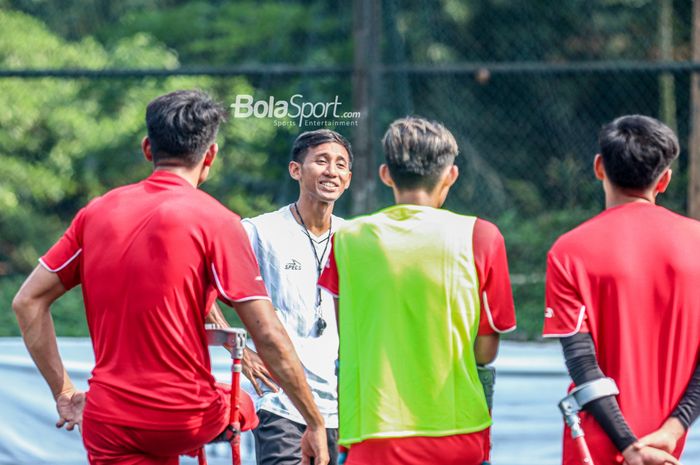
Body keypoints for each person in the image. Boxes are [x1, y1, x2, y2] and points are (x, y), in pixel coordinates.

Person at [12, 90, 329, 465]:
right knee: (240, 405)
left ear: (148, 149)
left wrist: (64, 392)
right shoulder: (217, 221)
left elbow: (27, 302)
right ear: (209, 156)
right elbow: (268, 335)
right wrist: (314, 421)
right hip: (186, 416)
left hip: (109, 418)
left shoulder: (95, 213)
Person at [318, 116, 516, 465]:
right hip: (459, 432)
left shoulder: (347, 240)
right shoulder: (480, 236)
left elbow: (346, 330)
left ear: (385, 174)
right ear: (451, 174)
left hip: (371, 434)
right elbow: (485, 352)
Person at [543, 115, 700, 465]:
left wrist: (630, 448)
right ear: (665, 180)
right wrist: (672, 431)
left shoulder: (569, 251)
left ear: (599, 167)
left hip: (594, 448)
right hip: (666, 452)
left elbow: (582, 365)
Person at [240, 129, 352, 465]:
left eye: (340, 164)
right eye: (321, 161)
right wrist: (242, 351)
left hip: (344, 406)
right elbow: (199, 286)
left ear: (348, 179)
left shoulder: (355, 238)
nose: (331, 170)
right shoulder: (259, 231)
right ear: (295, 170)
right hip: (281, 403)